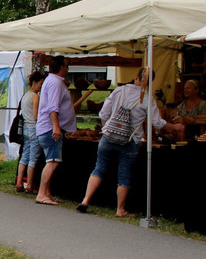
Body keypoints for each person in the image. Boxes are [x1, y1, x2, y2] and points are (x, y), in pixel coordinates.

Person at [77, 67, 181, 217]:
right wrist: (175, 127)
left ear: (136, 76)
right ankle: (120, 209)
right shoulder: (147, 99)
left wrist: (108, 128)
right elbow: (158, 123)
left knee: (98, 169)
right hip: (130, 141)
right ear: (150, 81)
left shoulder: (119, 91)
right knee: (124, 175)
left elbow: (104, 113)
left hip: (108, 137)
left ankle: (86, 200)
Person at [34, 55, 78, 206]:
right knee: (52, 162)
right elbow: (53, 107)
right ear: (61, 67)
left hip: (48, 128)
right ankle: (41, 194)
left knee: (51, 161)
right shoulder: (54, 83)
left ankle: (47, 193)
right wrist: (56, 127)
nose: (68, 68)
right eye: (66, 65)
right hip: (50, 129)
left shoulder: (54, 81)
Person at [14, 71, 46, 194]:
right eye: (41, 83)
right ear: (34, 82)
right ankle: (30, 185)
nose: (41, 86)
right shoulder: (35, 97)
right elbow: (35, 116)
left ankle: (19, 182)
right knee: (33, 157)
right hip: (34, 128)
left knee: (24, 156)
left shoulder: (25, 95)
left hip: (25, 128)